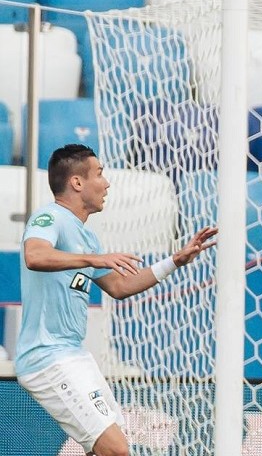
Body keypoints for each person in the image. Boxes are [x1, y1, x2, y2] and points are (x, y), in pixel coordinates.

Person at [15, 144, 218, 456]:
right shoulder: (49, 217)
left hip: (75, 356)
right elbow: (35, 255)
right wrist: (94, 259)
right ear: (77, 182)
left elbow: (120, 286)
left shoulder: (86, 236)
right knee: (116, 450)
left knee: (106, 450)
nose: (106, 183)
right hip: (47, 357)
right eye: (99, 174)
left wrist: (173, 262)